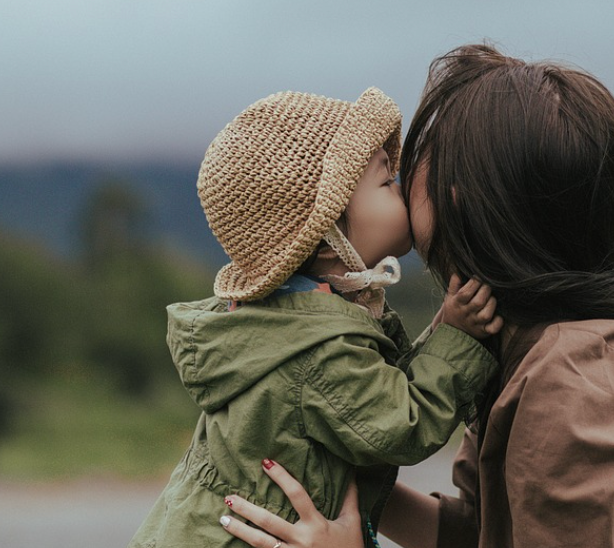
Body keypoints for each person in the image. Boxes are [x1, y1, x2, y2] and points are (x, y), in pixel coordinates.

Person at [218, 45, 614, 547]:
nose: (399, 187)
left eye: (414, 169)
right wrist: (356, 481)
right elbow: (490, 533)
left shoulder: (578, 376)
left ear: (463, 198)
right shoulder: (545, 348)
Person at [128, 87, 502, 548]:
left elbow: (374, 391)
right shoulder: (316, 349)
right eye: (387, 183)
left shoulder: (291, 321)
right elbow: (401, 424)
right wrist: (461, 339)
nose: (402, 189)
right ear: (327, 239)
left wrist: (444, 328)